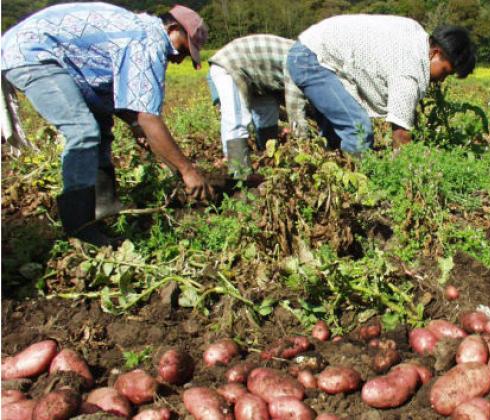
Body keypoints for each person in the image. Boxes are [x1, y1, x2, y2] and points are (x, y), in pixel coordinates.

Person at [1, 2, 215, 247]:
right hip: (32, 53)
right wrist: (188, 171)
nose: (179, 59)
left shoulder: (138, 32)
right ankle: (79, 228)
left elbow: (124, 103)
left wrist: (134, 124)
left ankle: (104, 208)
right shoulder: (148, 40)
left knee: (100, 125)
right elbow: (147, 116)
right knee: (83, 131)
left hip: (54, 57)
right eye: (183, 49)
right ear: (172, 29)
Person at [286, 14, 476, 154]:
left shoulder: (416, 34)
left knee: (334, 137)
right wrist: (408, 173)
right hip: (312, 59)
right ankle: (357, 190)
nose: (442, 80)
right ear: (435, 53)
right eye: (445, 71)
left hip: (314, 52)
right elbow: (401, 135)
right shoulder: (409, 70)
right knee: (358, 131)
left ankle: (333, 180)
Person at [207, 34, 309, 174]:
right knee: (237, 119)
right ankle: (239, 174)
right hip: (230, 64)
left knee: (268, 117)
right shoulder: (302, 63)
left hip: (260, 78)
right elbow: (295, 109)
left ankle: (268, 162)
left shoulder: (306, 60)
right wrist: (304, 148)